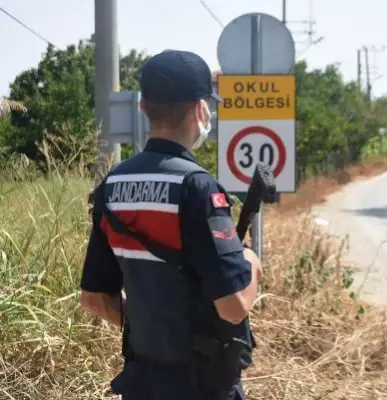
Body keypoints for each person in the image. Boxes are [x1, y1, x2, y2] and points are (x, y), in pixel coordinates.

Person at [79, 49, 262, 400]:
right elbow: (233, 305)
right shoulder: (197, 188)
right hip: (202, 386)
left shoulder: (111, 185)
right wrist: (251, 263)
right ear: (200, 109)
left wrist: (153, 323)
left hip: (142, 383)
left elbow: (94, 297)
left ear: (144, 108)